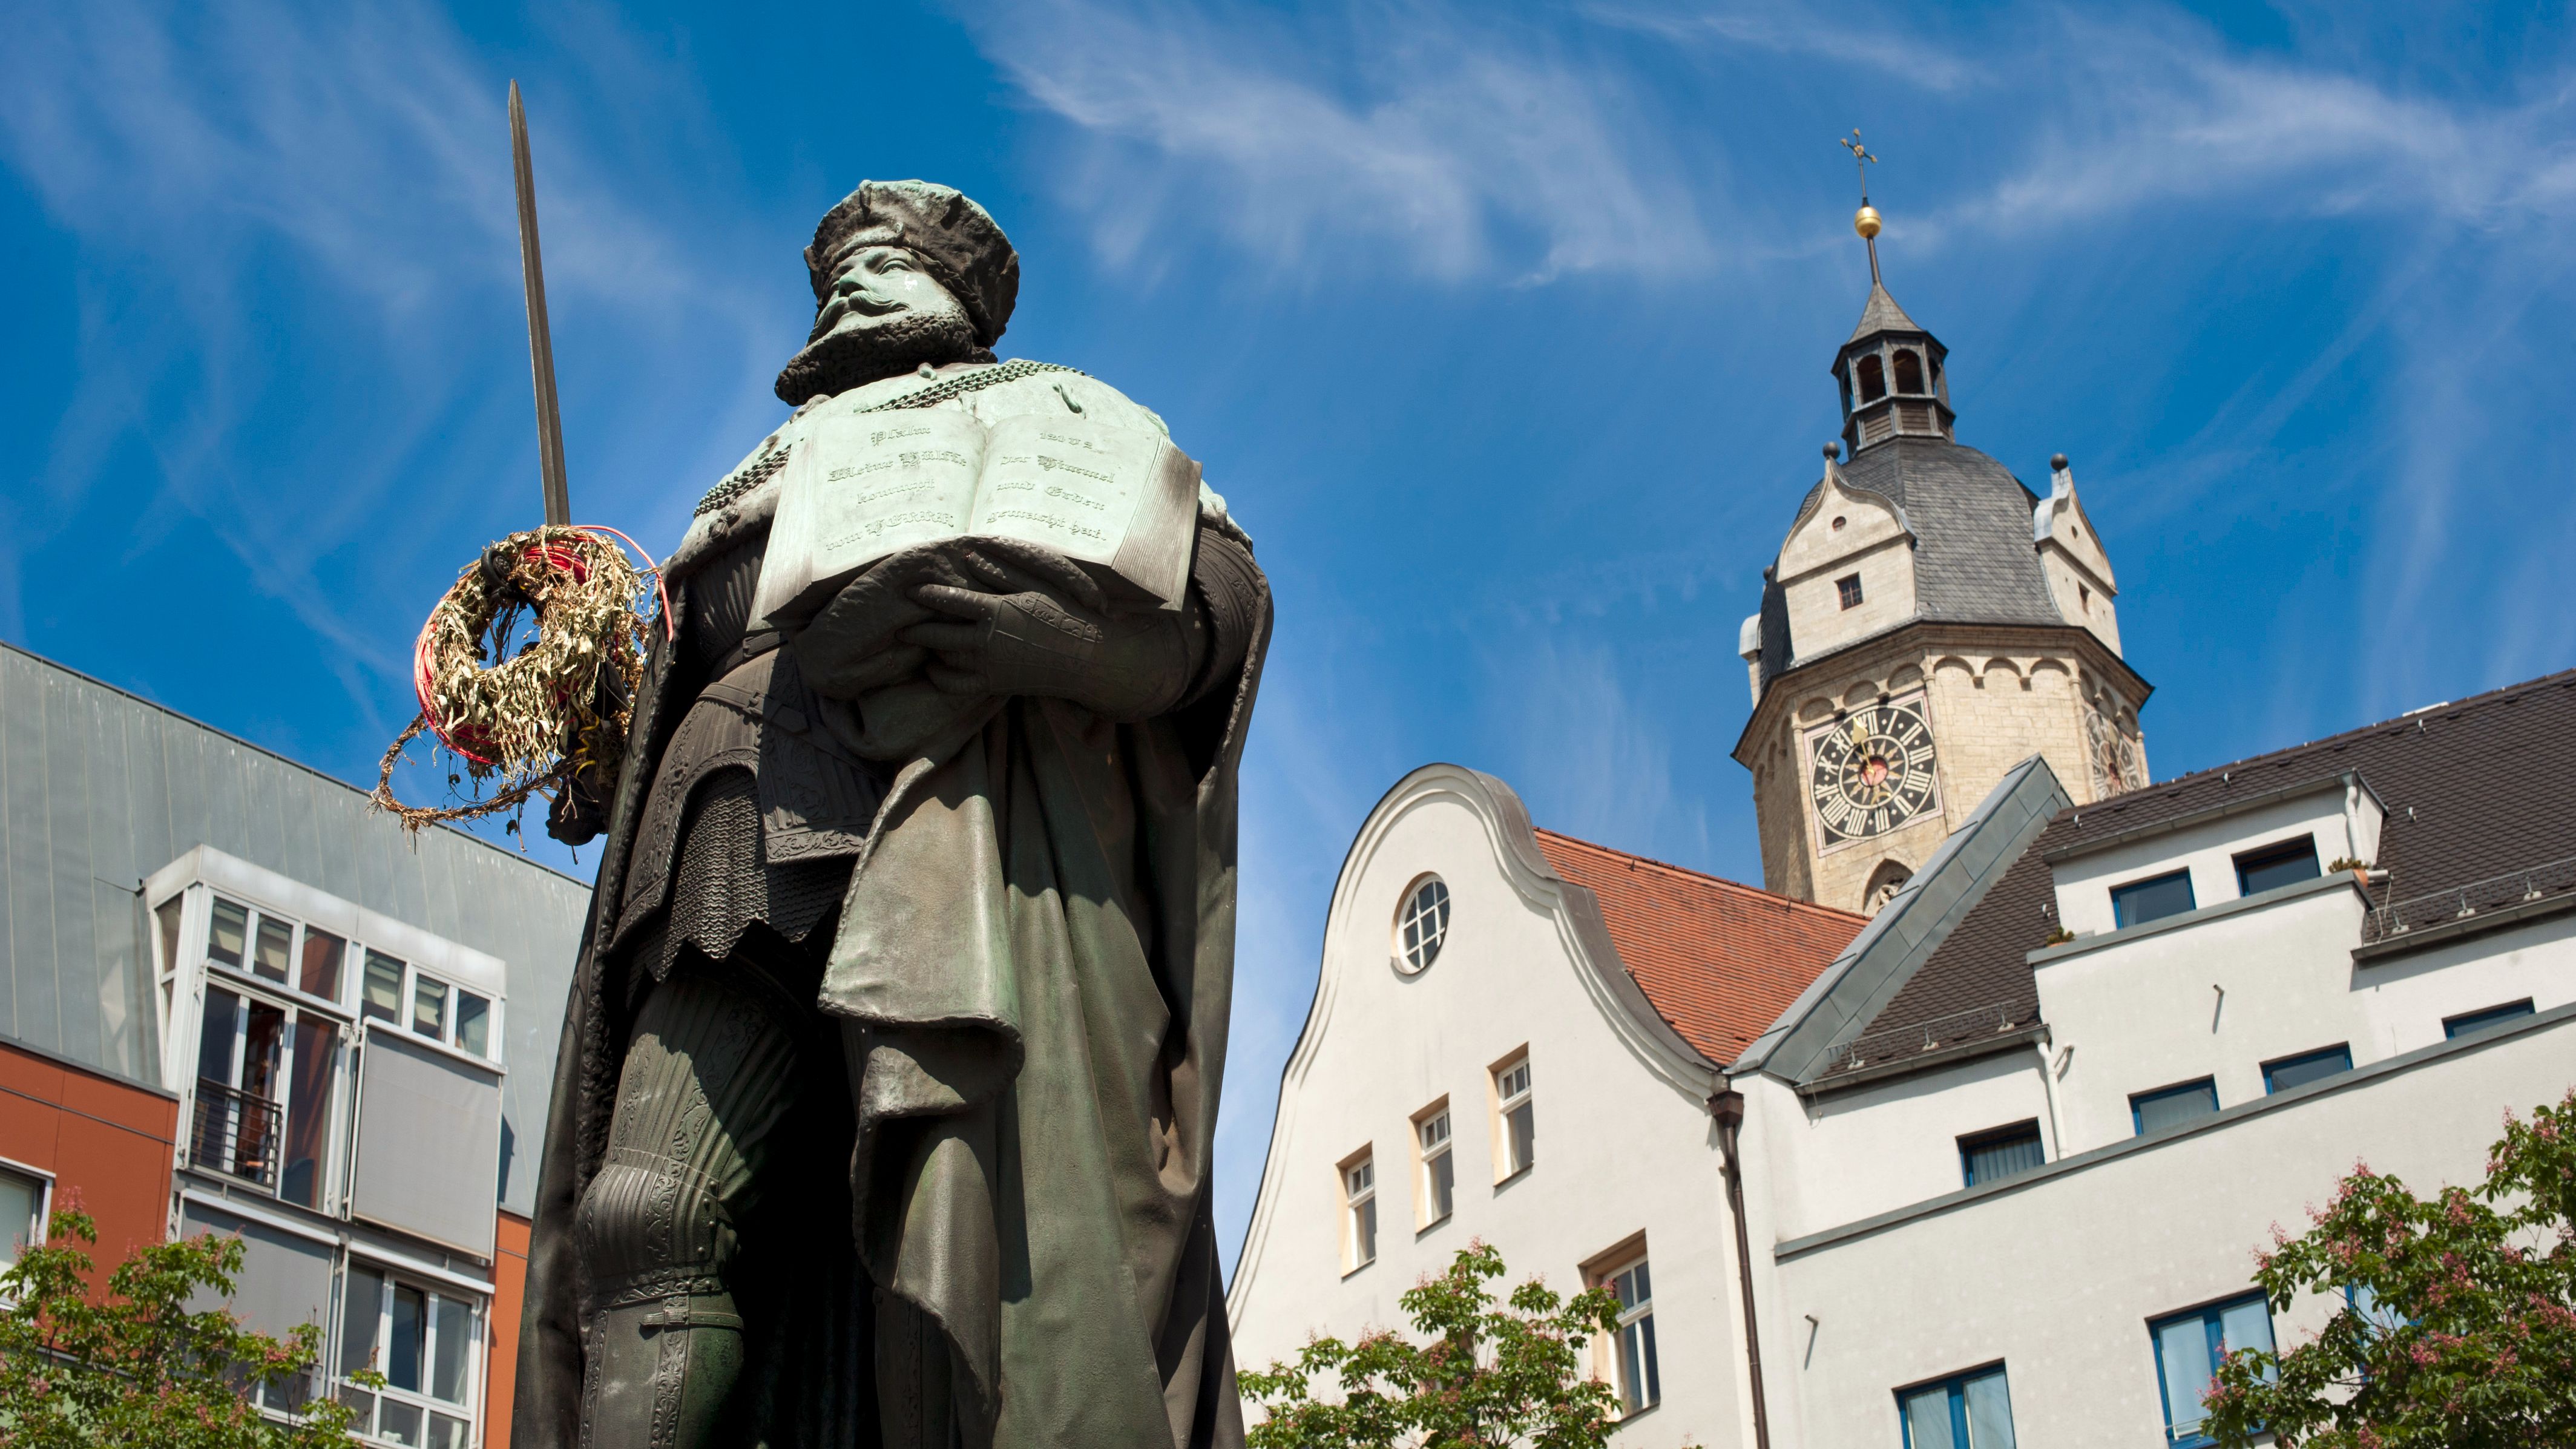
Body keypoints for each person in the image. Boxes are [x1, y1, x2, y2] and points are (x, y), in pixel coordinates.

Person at [514, 179, 1269, 1449]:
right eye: (839, 270)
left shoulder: (1061, 411)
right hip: (728, 827)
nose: (855, 282)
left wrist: (1085, 646)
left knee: (960, 1256)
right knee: (650, 1217)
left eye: (891, 260)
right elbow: (683, 666)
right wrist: (602, 713)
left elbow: (1216, 589)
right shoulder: (762, 469)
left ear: (963, 301)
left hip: (957, 845)